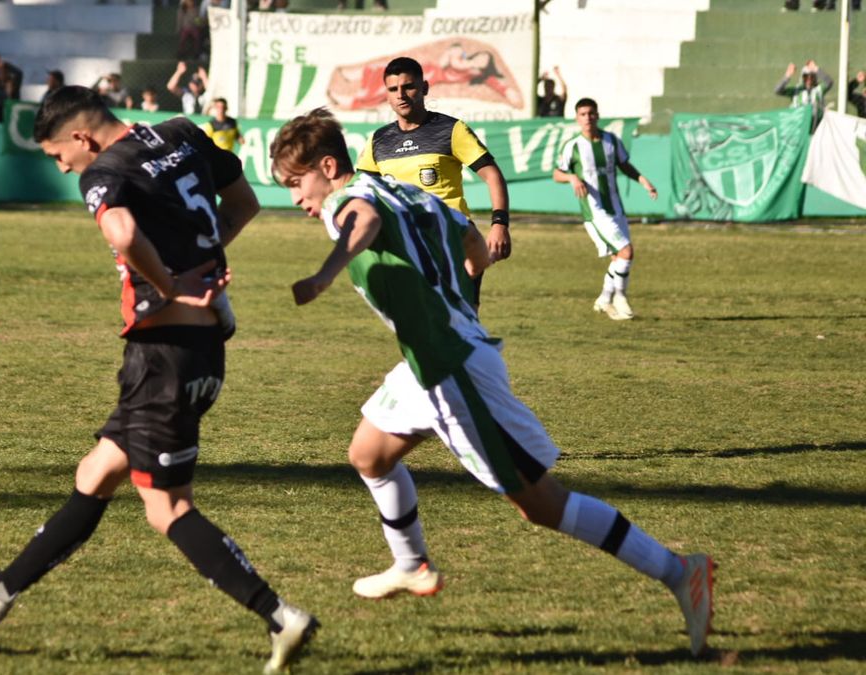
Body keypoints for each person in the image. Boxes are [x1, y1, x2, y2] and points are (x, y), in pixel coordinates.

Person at [270, 106, 715, 658]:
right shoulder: (408, 192)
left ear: (327, 165)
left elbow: (362, 221)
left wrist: (325, 272)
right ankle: (412, 566)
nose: (295, 198)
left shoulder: (346, 202)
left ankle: (680, 572)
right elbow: (474, 246)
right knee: (369, 453)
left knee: (540, 504)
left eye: (295, 183)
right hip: (431, 359)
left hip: (451, 368)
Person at [0, 85, 318, 674]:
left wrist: (171, 286)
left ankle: (280, 616)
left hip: (163, 352)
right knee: (96, 472)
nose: (61, 165)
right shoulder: (181, 132)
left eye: (56, 155)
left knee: (166, 508)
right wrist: (201, 266)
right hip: (201, 344)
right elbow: (244, 204)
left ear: (81, 137)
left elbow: (121, 233)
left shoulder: (104, 171)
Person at [355, 56, 510, 309]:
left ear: (424, 88)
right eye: (393, 89)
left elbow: (492, 175)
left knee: (461, 321)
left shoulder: (451, 130)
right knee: (420, 325)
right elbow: (361, 191)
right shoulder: (379, 140)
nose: (401, 95)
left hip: (455, 237)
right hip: (407, 244)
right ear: (387, 95)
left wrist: (500, 224)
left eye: (409, 86)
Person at [552, 98, 656, 321]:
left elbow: (624, 165)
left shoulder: (611, 141)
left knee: (618, 258)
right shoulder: (573, 146)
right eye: (582, 114)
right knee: (626, 251)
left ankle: (604, 299)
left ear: (597, 115)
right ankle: (620, 296)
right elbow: (557, 173)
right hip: (594, 211)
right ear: (576, 118)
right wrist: (571, 177)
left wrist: (643, 180)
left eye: (591, 113)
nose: (587, 118)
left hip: (616, 208)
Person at [775, 60, 833, 132]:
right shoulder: (796, 90)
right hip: (799, 129)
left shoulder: (819, 89)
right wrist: (788, 75)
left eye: (811, 77)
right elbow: (778, 90)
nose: (809, 80)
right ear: (802, 78)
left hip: (816, 128)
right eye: (806, 77)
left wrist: (816, 69)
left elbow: (829, 82)